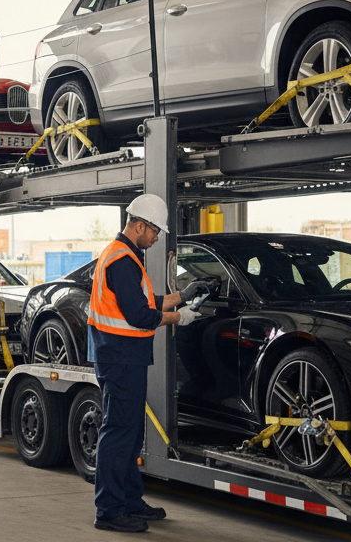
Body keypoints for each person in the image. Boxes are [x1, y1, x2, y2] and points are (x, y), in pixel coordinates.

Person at [88, 194, 209, 533]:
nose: (157, 238)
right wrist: (178, 318)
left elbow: (144, 301)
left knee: (130, 432)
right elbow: (140, 315)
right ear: (139, 225)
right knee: (119, 433)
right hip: (120, 357)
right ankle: (110, 510)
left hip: (123, 356)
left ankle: (129, 500)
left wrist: (182, 295)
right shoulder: (122, 260)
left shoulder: (124, 255)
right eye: (155, 231)